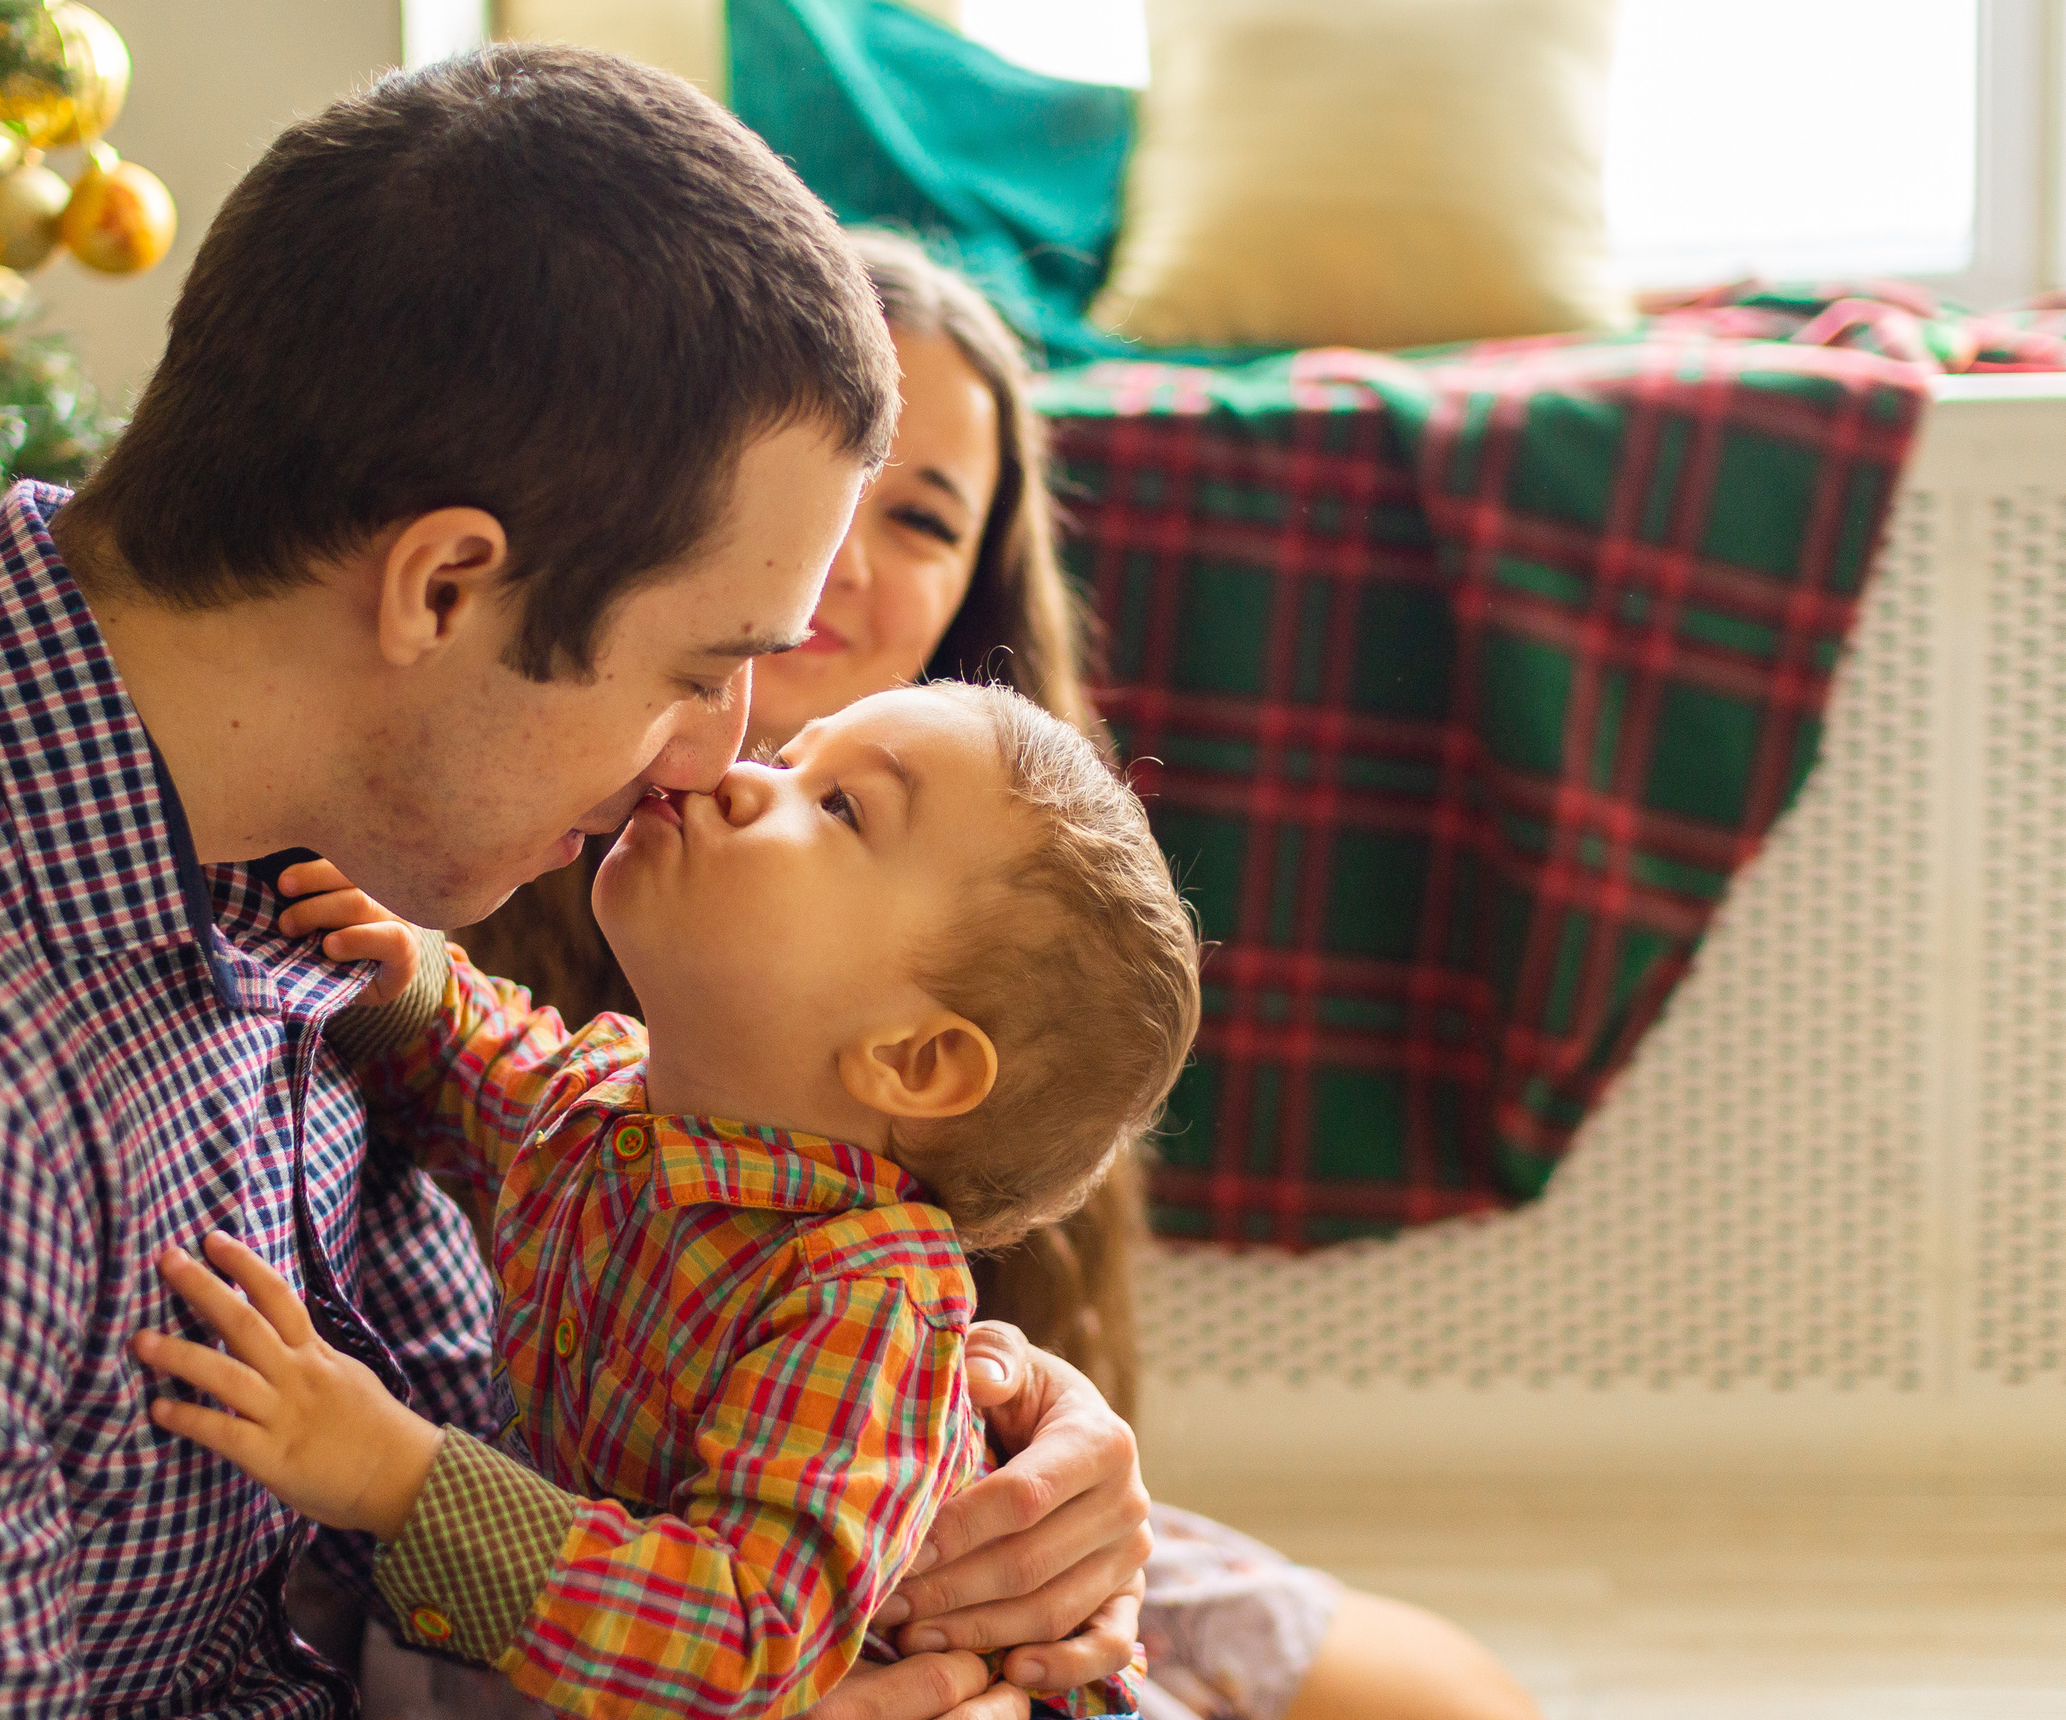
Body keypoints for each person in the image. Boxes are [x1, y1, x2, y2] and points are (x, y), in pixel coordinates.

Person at [0, 53, 1149, 1719]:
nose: (709, 758)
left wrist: (962, 1442)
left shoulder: (258, 820)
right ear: (440, 588)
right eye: (696, 670)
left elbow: (543, 1336)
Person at [454, 231, 1540, 1720]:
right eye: (810, 484)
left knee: (1446, 1697)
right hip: (624, 1559)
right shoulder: (488, 839)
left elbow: (964, 1342)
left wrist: (1051, 1452)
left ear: (973, 594)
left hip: (884, 1529)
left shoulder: (1015, 926)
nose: (842, 555)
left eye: (919, 515)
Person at [136, 682, 1198, 1719]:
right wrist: (406, 986)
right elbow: (500, 1081)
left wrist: (398, 1477)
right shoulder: (626, 1104)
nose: (736, 775)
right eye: (787, 757)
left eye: (838, 806)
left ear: (914, 1061)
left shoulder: (863, 1306)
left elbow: (746, 1628)